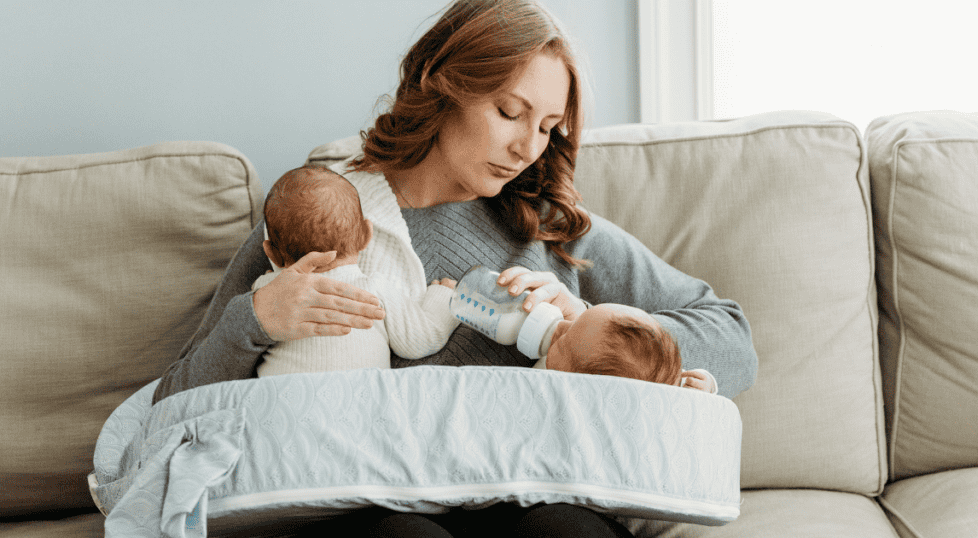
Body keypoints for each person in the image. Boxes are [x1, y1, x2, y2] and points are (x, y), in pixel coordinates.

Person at [153, 0, 757, 535]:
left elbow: (732, 336)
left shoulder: (547, 226)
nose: (528, 149)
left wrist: (588, 327)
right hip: (375, 504)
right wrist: (257, 317)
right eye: (509, 112)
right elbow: (173, 409)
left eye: (548, 127)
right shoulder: (323, 222)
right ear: (443, 87)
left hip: (530, 496)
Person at [255, 165, 459, 376]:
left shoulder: (266, 292)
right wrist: (444, 296)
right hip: (360, 401)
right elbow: (419, 339)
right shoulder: (373, 289)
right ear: (366, 236)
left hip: (281, 401)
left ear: (272, 253)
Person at [531, 302, 718, 393]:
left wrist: (705, 390)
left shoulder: (545, 386)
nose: (562, 324)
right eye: (576, 320)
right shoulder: (655, 377)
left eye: (563, 343)